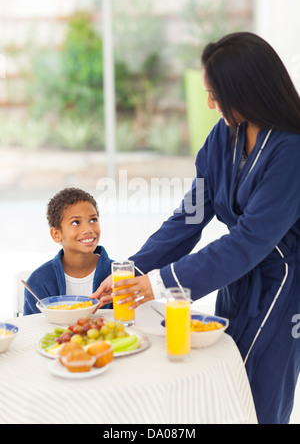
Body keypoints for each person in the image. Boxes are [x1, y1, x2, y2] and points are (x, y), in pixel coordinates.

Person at [91, 32, 300, 424]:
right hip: (234, 279)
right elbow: (189, 218)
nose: (210, 104)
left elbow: (251, 240)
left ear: (248, 91)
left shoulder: (291, 151)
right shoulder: (224, 136)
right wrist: (133, 270)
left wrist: (158, 283)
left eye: (216, 94)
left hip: (281, 286)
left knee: (261, 398)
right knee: (222, 386)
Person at [24, 187, 113, 315]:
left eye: (93, 220)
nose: (88, 229)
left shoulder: (117, 276)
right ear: (56, 234)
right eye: (76, 222)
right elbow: (30, 327)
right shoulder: (38, 281)